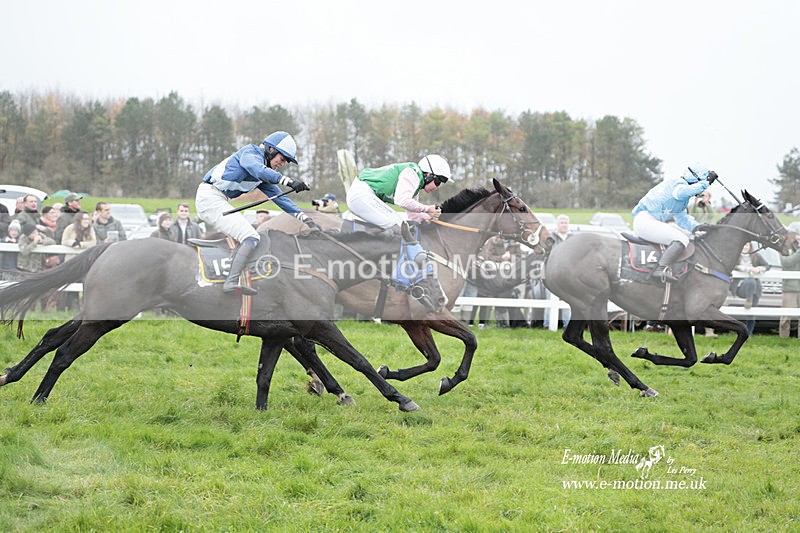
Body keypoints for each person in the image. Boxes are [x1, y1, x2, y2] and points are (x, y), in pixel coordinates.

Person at [196, 131, 314, 295]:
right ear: (271, 150)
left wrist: (306, 219)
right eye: (282, 159)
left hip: (218, 200)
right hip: (209, 198)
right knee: (251, 236)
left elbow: (280, 198)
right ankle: (230, 283)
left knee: (249, 235)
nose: (282, 164)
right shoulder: (250, 153)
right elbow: (257, 169)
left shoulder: (264, 174)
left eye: (286, 162)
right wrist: (288, 181)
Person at [631, 163, 718, 282]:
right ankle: (660, 269)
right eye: (701, 183)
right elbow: (683, 192)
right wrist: (706, 182)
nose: (703, 191)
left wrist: (699, 227)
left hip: (648, 221)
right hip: (645, 220)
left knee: (682, 236)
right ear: (694, 179)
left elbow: (683, 219)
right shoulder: (678, 185)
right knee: (682, 239)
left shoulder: (682, 201)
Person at [346, 154, 453, 230]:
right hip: (362, 194)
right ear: (429, 175)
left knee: (402, 225)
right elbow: (402, 201)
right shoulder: (413, 173)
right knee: (401, 226)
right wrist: (427, 208)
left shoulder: (416, 183)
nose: (437, 187)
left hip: (363, 195)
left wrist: (429, 218)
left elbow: (412, 215)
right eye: (438, 181)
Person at [731, 242, 769, 335]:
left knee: (752, 311)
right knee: (751, 281)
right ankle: (749, 299)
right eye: (743, 245)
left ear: (750, 247)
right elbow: (731, 266)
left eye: (747, 245)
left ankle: (748, 333)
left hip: (755, 288)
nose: (745, 247)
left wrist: (759, 269)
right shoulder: (735, 256)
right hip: (740, 286)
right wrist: (744, 268)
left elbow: (767, 266)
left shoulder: (756, 256)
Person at [779, 232, 800, 338]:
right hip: (790, 288)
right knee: (786, 316)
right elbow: (786, 262)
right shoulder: (784, 248)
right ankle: (783, 339)